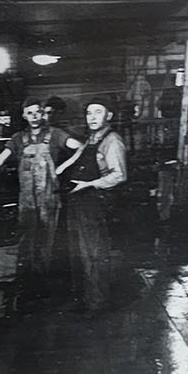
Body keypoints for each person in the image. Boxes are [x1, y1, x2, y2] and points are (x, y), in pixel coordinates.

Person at [0, 99, 81, 299]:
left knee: (48, 242)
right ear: (24, 116)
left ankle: (47, 288)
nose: (34, 116)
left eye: (38, 112)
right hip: (27, 202)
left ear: (43, 114)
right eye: (30, 112)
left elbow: (82, 147)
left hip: (49, 200)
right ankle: (27, 287)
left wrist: (63, 167)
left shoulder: (56, 135)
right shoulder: (18, 139)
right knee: (26, 241)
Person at [56, 101, 127, 313]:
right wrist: (59, 169)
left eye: (98, 112)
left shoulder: (112, 141)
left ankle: (97, 303)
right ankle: (83, 299)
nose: (92, 117)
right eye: (89, 113)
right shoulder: (91, 139)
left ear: (109, 115)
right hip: (78, 201)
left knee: (94, 254)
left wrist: (88, 184)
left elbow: (119, 175)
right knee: (77, 253)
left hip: (94, 203)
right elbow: (78, 156)